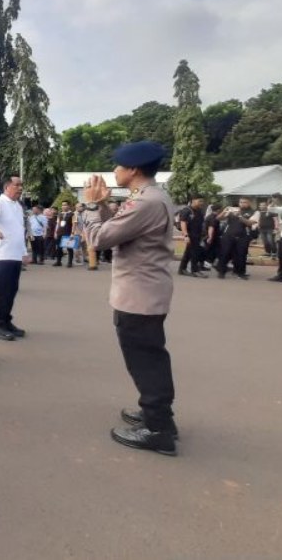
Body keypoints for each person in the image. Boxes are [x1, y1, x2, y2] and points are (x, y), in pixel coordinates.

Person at [82, 141, 179, 457]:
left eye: (118, 166)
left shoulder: (145, 202)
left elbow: (98, 238)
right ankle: (157, 416)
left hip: (139, 296)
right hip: (145, 292)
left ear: (133, 169)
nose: (114, 171)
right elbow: (121, 229)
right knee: (149, 357)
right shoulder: (149, 197)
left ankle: (158, 429)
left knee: (146, 361)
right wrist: (106, 207)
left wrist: (91, 206)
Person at [0, 175, 27, 341]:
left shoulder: (18, 206)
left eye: (21, 185)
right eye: (17, 185)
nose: (20, 188)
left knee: (12, 290)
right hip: (2, 255)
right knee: (1, 292)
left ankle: (6, 321)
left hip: (15, 255)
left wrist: (24, 252)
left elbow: (19, 230)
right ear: (7, 187)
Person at [216, 198, 257, 280]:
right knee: (225, 253)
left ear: (249, 203)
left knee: (241, 255)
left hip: (243, 236)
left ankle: (241, 273)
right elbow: (218, 218)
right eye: (241, 202)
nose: (242, 204)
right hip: (228, 235)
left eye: (245, 202)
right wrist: (224, 211)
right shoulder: (232, 210)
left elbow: (250, 222)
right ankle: (221, 272)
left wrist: (239, 216)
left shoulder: (254, 212)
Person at [176, 195, 206, 278]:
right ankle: (195, 270)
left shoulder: (199, 211)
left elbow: (201, 223)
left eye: (202, 201)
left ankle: (182, 269)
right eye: (199, 201)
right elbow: (183, 223)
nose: (201, 203)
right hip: (190, 235)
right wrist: (186, 235)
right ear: (193, 200)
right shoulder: (187, 210)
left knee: (188, 253)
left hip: (198, 235)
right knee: (195, 253)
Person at [53, 201, 75, 268]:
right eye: (62, 205)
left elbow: (74, 224)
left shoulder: (72, 214)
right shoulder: (60, 214)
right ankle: (58, 261)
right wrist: (55, 232)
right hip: (60, 232)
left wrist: (72, 233)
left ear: (69, 206)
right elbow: (57, 224)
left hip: (67, 233)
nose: (63, 206)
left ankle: (70, 262)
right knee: (59, 248)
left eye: (65, 205)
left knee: (69, 248)